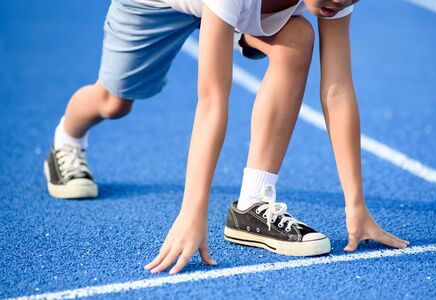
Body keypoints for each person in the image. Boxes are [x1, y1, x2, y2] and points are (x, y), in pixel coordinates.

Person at [44, 0, 409, 275]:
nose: (341, 2)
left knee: (297, 37)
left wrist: (356, 205)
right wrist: (192, 212)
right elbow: (212, 100)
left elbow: (338, 90)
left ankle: (253, 204)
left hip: (240, 10)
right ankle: (67, 139)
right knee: (113, 102)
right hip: (156, 4)